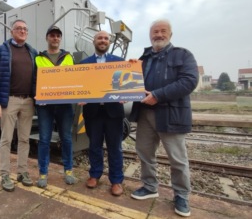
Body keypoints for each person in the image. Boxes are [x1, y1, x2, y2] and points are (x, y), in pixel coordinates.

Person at [129, 19, 198, 217]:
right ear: (150, 35)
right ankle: (150, 187)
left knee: (177, 159)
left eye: (162, 31)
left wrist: (158, 95)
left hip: (171, 114)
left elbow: (189, 81)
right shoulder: (145, 58)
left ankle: (182, 195)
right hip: (145, 114)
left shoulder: (183, 55)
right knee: (144, 153)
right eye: (155, 32)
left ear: (170, 34)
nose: (158, 35)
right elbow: (131, 83)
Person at [0, 19, 38, 192]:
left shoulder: (33, 52)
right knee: (6, 139)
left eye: (25, 29)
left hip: (28, 101)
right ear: (12, 31)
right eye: (19, 28)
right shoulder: (1, 50)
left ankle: (22, 172)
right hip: (9, 100)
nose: (22, 31)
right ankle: (5, 174)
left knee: (24, 139)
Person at [79, 30, 125, 196]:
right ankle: (95, 175)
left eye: (106, 38)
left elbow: (125, 84)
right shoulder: (84, 63)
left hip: (114, 112)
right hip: (93, 112)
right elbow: (80, 86)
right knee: (94, 147)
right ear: (94, 41)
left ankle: (117, 180)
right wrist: (79, 95)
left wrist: (127, 94)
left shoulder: (121, 62)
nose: (103, 40)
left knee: (115, 148)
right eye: (100, 38)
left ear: (109, 42)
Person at [35, 26, 76, 188]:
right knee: (44, 139)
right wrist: (37, 95)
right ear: (47, 38)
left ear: (60, 39)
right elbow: (34, 80)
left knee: (66, 138)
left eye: (58, 36)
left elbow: (76, 78)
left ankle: (68, 170)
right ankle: (43, 173)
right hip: (45, 106)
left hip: (65, 105)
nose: (55, 38)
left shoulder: (69, 57)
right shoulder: (38, 58)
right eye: (52, 35)